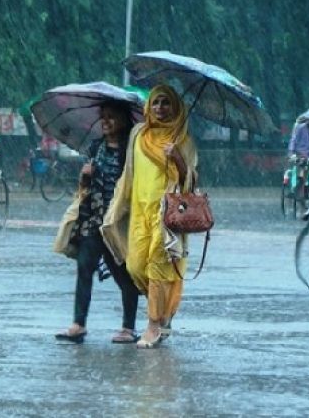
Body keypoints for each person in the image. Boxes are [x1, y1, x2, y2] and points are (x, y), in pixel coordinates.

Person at [101, 84, 199, 349]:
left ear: (175, 107)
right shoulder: (137, 134)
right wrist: (116, 208)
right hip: (138, 212)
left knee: (158, 265)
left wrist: (177, 159)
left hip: (166, 214)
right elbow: (128, 174)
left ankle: (153, 325)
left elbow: (191, 183)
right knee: (134, 266)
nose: (159, 108)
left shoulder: (182, 140)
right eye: (155, 103)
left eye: (166, 103)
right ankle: (163, 308)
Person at [53, 101, 139, 344]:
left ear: (123, 120)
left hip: (117, 222)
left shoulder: (131, 151)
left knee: (124, 274)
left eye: (111, 117)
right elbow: (84, 187)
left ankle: (128, 327)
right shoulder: (95, 147)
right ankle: (78, 324)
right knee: (84, 268)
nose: (106, 122)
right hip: (92, 219)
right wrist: (84, 176)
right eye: (103, 117)